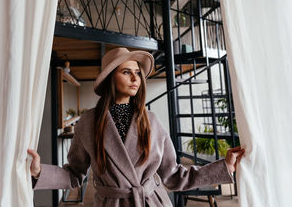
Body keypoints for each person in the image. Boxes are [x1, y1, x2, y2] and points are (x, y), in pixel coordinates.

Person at [27, 47, 244, 207]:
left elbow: (174, 176)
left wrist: (223, 167)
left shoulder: (151, 121)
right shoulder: (88, 122)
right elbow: (75, 174)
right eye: (126, 72)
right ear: (111, 77)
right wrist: (39, 171)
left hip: (152, 202)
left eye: (137, 72)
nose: (135, 78)